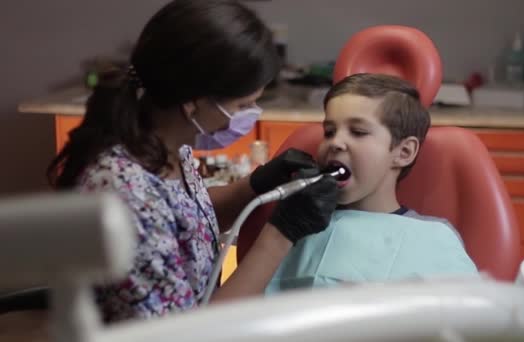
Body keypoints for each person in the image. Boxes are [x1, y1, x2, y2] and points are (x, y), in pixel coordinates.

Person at [47, 0, 337, 322]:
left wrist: (254, 186)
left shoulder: (167, 144)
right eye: (243, 105)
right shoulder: (123, 193)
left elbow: (183, 222)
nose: (249, 116)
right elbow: (188, 332)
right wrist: (281, 233)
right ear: (193, 104)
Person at [266, 73, 477, 294]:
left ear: (404, 152)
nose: (335, 142)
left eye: (357, 132)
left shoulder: (434, 238)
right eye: (329, 132)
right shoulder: (298, 223)